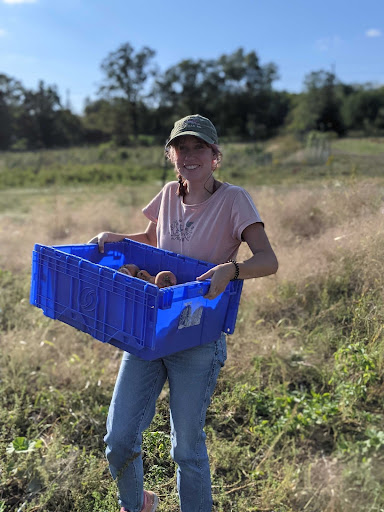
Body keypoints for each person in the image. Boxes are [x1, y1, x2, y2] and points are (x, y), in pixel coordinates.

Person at [88, 114, 278, 512]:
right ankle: (138, 503)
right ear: (171, 156)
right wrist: (117, 237)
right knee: (119, 436)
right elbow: (152, 242)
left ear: (214, 156)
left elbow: (268, 259)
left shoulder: (233, 199)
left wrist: (233, 270)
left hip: (197, 335)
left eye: (199, 147)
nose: (189, 155)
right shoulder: (168, 195)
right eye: (181, 148)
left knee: (186, 447)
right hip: (150, 328)